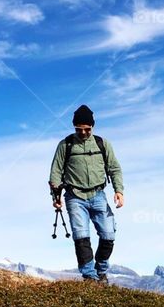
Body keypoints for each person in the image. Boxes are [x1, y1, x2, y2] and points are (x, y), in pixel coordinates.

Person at [48, 104, 125, 284]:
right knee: (81, 236)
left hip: (98, 195)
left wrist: (119, 191)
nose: (83, 133)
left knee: (108, 235)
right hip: (74, 196)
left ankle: (101, 271)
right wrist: (56, 198)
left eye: (87, 129)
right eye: (79, 129)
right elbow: (55, 173)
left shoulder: (102, 144)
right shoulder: (65, 145)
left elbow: (114, 168)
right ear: (74, 127)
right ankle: (90, 277)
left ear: (93, 126)